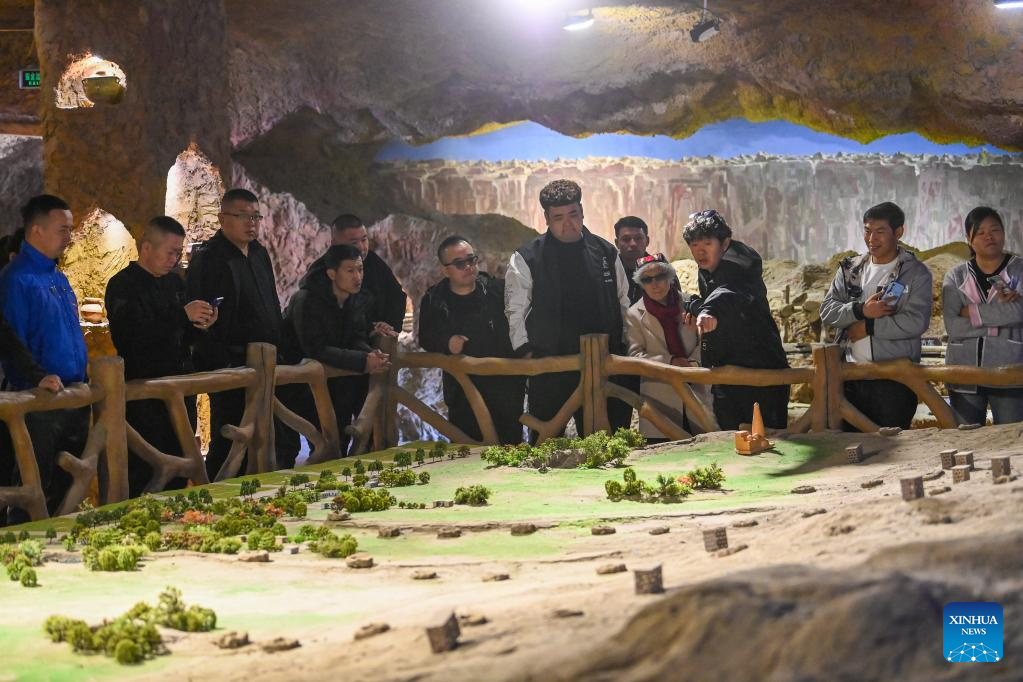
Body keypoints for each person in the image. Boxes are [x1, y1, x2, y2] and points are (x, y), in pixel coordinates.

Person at [505, 179, 632, 440]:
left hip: (603, 364)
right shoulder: (527, 256)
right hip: (550, 367)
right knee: (546, 445)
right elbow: (515, 309)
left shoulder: (605, 252)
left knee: (607, 444)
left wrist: (626, 343)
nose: (568, 223)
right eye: (559, 217)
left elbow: (623, 301)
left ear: (582, 211)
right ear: (547, 218)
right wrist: (524, 350)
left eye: (573, 214)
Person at [186, 188, 295, 476]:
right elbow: (202, 317)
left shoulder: (259, 253)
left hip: (268, 360)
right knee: (231, 439)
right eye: (243, 216)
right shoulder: (209, 258)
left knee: (277, 438)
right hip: (231, 364)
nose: (252, 223)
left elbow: (271, 301)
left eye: (256, 217)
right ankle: (218, 494)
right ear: (223, 219)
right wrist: (222, 360)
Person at [105, 216, 217, 495]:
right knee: (146, 472)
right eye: (170, 252)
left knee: (181, 469)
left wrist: (200, 327)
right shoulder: (122, 285)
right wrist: (182, 315)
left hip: (180, 392)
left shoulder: (174, 284)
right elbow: (132, 338)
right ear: (146, 248)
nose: (174, 259)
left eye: (178, 253)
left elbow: (181, 339)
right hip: (145, 398)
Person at [0, 194, 88, 523]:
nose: (69, 237)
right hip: (39, 401)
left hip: (72, 394)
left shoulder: (57, 277)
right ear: (36, 230)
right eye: (62, 229)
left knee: (67, 486)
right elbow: (11, 340)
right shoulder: (16, 279)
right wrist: (35, 378)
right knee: (34, 488)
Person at [819, 201, 933, 430]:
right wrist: (860, 310)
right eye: (867, 231)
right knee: (849, 443)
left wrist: (869, 327)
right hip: (849, 378)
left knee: (892, 445)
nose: (872, 239)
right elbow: (827, 310)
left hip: (894, 381)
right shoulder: (850, 270)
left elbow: (915, 321)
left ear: (898, 232)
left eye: (880, 231)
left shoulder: (915, 273)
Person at [681, 210, 790, 430]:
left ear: (725, 243)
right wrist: (697, 307)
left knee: (768, 438)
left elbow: (729, 291)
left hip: (761, 369)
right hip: (725, 368)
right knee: (729, 437)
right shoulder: (707, 269)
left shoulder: (742, 264)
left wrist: (707, 309)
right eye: (694, 245)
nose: (700, 251)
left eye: (707, 244)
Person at [284, 244, 391, 455]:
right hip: (302, 385)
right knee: (322, 446)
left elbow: (355, 337)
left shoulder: (354, 299)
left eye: (360, 269)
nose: (357, 276)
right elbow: (315, 349)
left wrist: (369, 354)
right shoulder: (306, 300)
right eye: (350, 270)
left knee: (348, 439)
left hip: (340, 381)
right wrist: (362, 361)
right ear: (332, 273)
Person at [419, 235, 525, 444]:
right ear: (446, 270)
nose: (468, 266)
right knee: (467, 451)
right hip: (463, 392)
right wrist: (447, 343)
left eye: (471, 260)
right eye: (460, 263)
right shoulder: (434, 300)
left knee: (510, 450)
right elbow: (426, 337)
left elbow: (521, 324)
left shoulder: (499, 291)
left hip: (506, 389)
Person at [942, 206, 1023, 425]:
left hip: (1009, 372)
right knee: (965, 437)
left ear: (1003, 233)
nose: (989, 236)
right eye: (980, 232)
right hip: (964, 373)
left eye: (995, 230)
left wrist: (971, 312)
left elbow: (1019, 311)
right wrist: (1001, 321)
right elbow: (953, 326)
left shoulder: (1019, 270)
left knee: (1011, 436)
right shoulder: (955, 276)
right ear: (969, 240)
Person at [626, 253, 714, 440]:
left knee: (704, 445)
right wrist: (671, 362)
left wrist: (692, 363)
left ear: (670, 277)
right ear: (641, 284)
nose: (655, 284)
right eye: (647, 279)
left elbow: (706, 341)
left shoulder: (691, 303)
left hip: (695, 384)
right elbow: (635, 355)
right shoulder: (634, 314)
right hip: (660, 395)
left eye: (660, 277)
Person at [615, 216, 654, 305]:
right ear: (617, 243)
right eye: (626, 239)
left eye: (638, 238)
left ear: (647, 241)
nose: (633, 244)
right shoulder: (610, 269)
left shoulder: (660, 268)